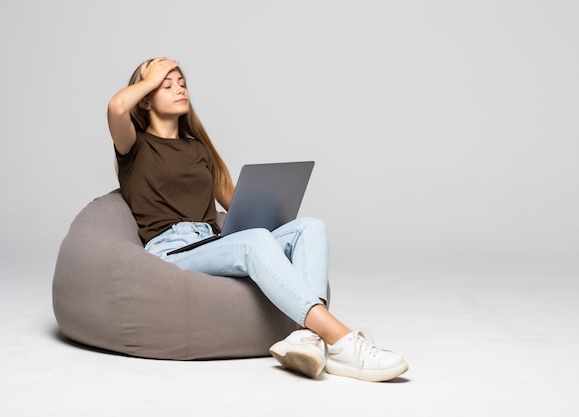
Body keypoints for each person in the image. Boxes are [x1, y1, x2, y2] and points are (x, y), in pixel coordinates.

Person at [107, 57, 408, 382]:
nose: (179, 88)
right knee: (254, 242)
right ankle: (341, 340)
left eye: (182, 82)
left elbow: (238, 207)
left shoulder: (199, 151)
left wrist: (270, 202)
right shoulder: (134, 147)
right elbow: (116, 107)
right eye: (166, 85)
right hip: (171, 252)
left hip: (211, 242)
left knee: (310, 227)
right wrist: (151, 79)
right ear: (147, 98)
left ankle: (306, 337)